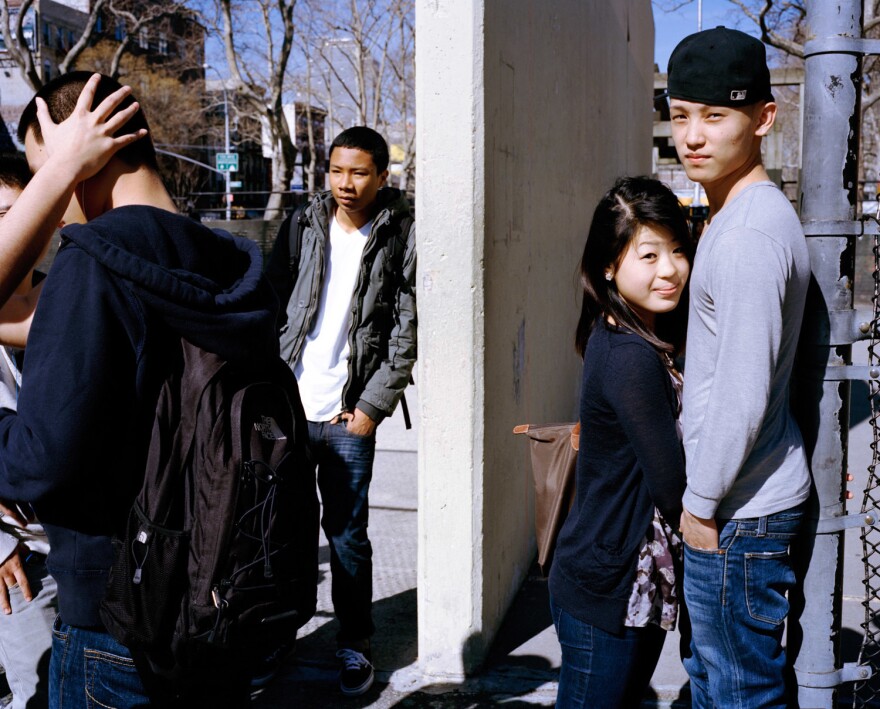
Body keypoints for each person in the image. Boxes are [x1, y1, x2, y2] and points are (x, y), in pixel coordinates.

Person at [0, 71, 280, 706]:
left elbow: (40, 458)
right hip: (213, 602)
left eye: (41, 168)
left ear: (76, 147)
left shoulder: (95, 258)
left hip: (113, 619)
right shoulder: (228, 259)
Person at [667, 27, 811, 707]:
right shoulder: (733, 212)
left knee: (737, 694)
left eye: (715, 114)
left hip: (737, 512)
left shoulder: (750, 232)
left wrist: (700, 504)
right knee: (720, 683)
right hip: (738, 505)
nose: (693, 135)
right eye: (680, 114)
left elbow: (744, 390)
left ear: (764, 118)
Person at [265, 126, 416, 696]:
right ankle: (281, 631)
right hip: (289, 409)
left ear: (381, 176)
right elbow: (270, 303)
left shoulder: (398, 233)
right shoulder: (303, 223)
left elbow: (405, 329)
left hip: (349, 416)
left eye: (358, 172)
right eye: (335, 170)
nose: (345, 184)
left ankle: (354, 643)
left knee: (348, 537)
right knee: (283, 529)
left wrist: (374, 407)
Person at [547, 176, 692, 707]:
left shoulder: (630, 334)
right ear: (609, 265)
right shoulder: (631, 354)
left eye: (677, 250)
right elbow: (673, 487)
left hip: (628, 584)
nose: (670, 269)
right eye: (648, 255)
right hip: (610, 586)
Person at [0, 152, 54, 709]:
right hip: (16, 555)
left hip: (78, 545)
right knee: (35, 693)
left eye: (24, 213)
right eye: (1, 216)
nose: (16, 230)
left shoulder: (63, 293)